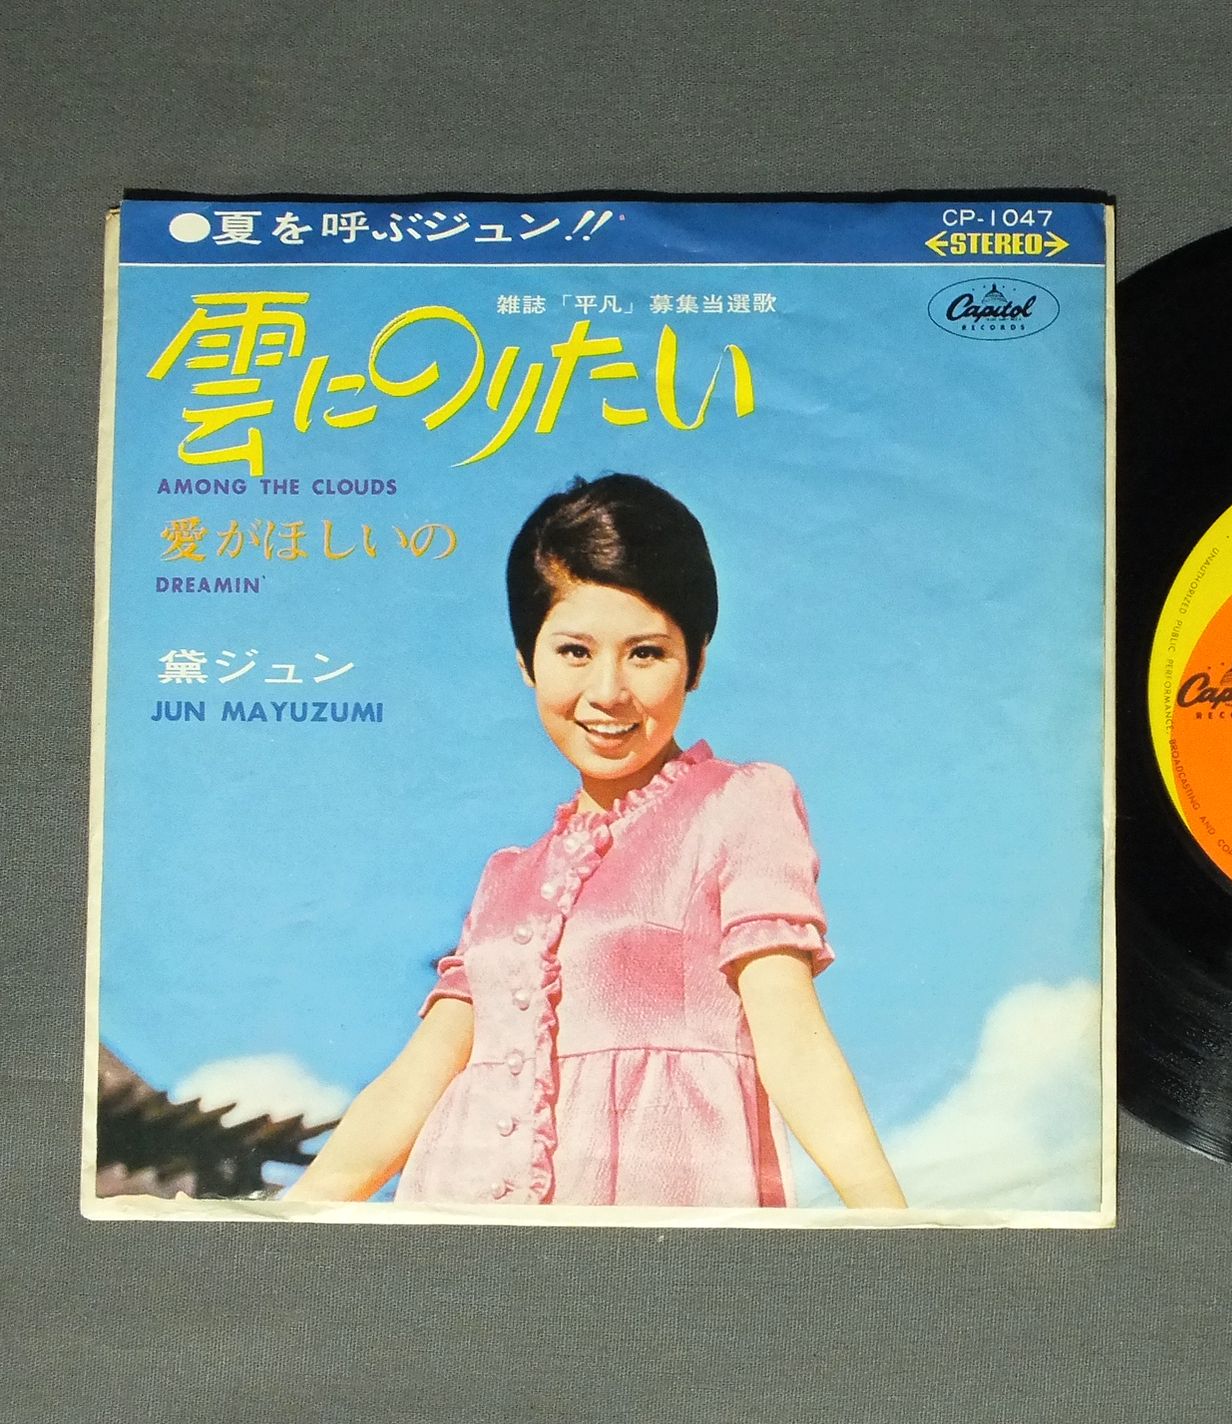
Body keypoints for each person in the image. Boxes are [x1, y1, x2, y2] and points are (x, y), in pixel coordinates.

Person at [287, 474, 906, 1209]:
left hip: (658, 1226)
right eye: (574, 651)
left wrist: (893, 1224)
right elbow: (414, 1080)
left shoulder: (740, 804)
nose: (608, 691)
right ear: (527, 660)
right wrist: (283, 1222)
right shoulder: (507, 878)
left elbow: (794, 1040)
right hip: (469, 1228)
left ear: (697, 661)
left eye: (646, 653)